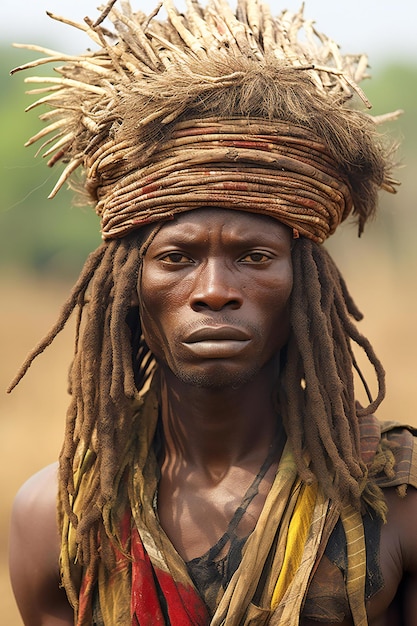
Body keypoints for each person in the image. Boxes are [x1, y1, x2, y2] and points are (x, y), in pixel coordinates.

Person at [7, 0, 417, 624]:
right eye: (177, 258)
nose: (215, 289)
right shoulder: (64, 517)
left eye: (254, 257)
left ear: (304, 287)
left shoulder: (395, 503)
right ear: (128, 288)